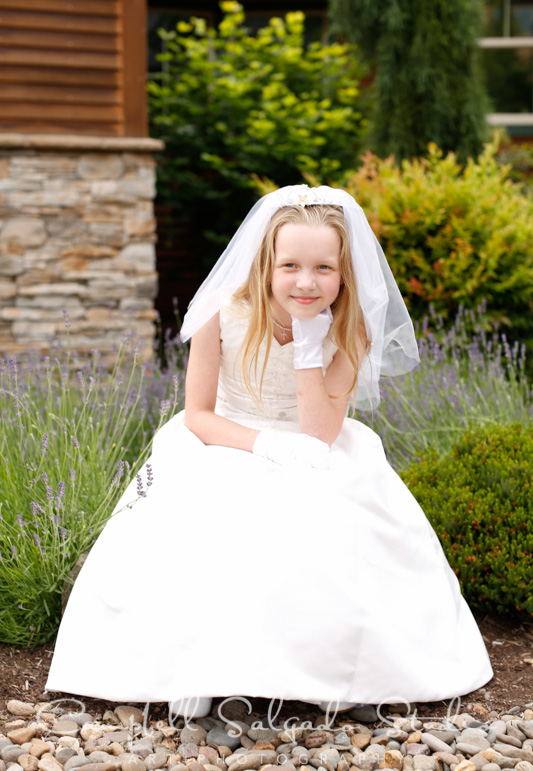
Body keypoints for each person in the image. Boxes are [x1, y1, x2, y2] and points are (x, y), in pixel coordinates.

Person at [45, 185, 493, 723]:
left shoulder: (353, 329)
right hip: (224, 439)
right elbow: (198, 415)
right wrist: (265, 445)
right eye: (291, 266)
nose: (306, 282)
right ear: (267, 265)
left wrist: (309, 343)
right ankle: (198, 671)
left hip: (312, 442)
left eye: (324, 268)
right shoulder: (221, 312)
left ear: (344, 273)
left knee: (336, 515)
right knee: (224, 518)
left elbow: (321, 433)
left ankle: (333, 672)